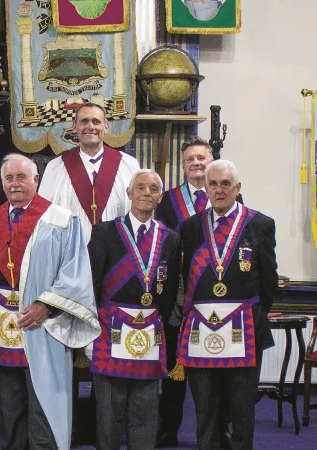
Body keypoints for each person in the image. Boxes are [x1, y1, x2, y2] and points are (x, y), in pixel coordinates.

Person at [0, 154, 101, 450]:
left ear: (36, 181)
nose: (15, 184)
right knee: (7, 409)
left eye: (22, 178)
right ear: (2, 183)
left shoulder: (62, 220)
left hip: (43, 329)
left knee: (43, 408)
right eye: (10, 178)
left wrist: (46, 306)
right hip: (1, 331)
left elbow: (75, 271)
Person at [176, 159, 277, 450]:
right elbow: (186, 277)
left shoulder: (259, 224)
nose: (219, 190)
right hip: (201, 331)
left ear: (237, 188)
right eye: (213, 184)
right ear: (205, 188)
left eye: (225, 184)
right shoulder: (191, 227)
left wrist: (253, 313)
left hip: (244, 330)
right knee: (206, 408)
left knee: (242, 407)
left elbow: (268, 281)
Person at [155, 136, 240, 448]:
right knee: (175, 368)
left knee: (222, 370)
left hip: (221, 297)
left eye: (201, 158)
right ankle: (168, 429)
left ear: (211, 160)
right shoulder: (167, 201)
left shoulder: (227, 195)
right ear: (183, 165)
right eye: (190, 159)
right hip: (182, 296)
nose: (196, 163)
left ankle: (222, 429)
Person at [87, 169, 182, 450]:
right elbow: (91, 283)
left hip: (149, 332)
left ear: (160, 197)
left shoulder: (171, 239)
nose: (146, 194)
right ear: (129, 194)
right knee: (109, 412)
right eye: (140, 188)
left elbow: (170, 289)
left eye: (153, 189)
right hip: (110, 330)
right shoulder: (105, 232)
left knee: (145, 409)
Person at [37, 102, 140, 242]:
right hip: (72, 254)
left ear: (106, 127)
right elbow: (45, 217)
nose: (90, 127)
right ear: (74, 127)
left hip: (117, 254)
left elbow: (139, 214)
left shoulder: (127, 165)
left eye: (96, 122)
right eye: (84, 121)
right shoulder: (55, 168)